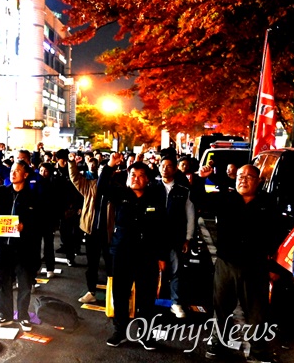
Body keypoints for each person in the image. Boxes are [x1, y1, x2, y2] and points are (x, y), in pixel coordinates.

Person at [200, 164, 284, 362]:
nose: (243, 180)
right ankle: (217, 342)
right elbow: (200, 200)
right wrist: (201, 179)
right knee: (221, 308)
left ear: (259, 181)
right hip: (226, 263)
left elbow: (276, 237)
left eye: (249, 177)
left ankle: (259, 351)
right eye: (240, 175)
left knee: (257, 313)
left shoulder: (268, 204)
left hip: (255, 266)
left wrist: (274, 268)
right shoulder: (226, 198)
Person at [99, 154, 168, 350]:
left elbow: (163, 229)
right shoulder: (121, 195)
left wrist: (162, 256)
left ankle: (146, 334)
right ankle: (120, 332)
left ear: (147, 179)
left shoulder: (156, 198)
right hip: (122, 253)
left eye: (140, 175)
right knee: (120, 294)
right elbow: (102, 187)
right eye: (132, 175)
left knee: (146, 297)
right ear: (128, 178)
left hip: (148, 255)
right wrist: (110, 165)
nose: (136, 178)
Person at [0, 160, 41, 332]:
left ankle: (23, 316)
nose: (13, 173)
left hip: (25, 247)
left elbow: (42, 220)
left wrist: (25, 225)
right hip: (4, 245)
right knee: (4, 281)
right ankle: (4, 315)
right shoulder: (3, 192)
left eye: (17, 171)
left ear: (25, 175)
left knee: (24, 282)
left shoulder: (33, 196)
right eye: (12, 170)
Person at [67, 153, 113, 304]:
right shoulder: (89, 185)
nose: (102, 172)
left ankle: (113, 292)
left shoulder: (117, 190)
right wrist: (72, 162)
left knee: (111, 264)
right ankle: (91, 291)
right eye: (101, 170)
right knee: (91, 264)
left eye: (106, 170)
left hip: (110, 233)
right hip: (91, 231)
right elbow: (75, 178)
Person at [153, 155, 195, 319]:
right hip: (153, 238)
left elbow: (190, 215)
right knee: (151, 270)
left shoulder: (183, 191)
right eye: (163, 165)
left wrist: (188, 237)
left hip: (175, 238)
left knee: (176, 271)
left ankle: (175, 303)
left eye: (169, 165)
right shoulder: (152, 188)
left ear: (175, 168)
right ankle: (150, 301)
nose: (165, 168)